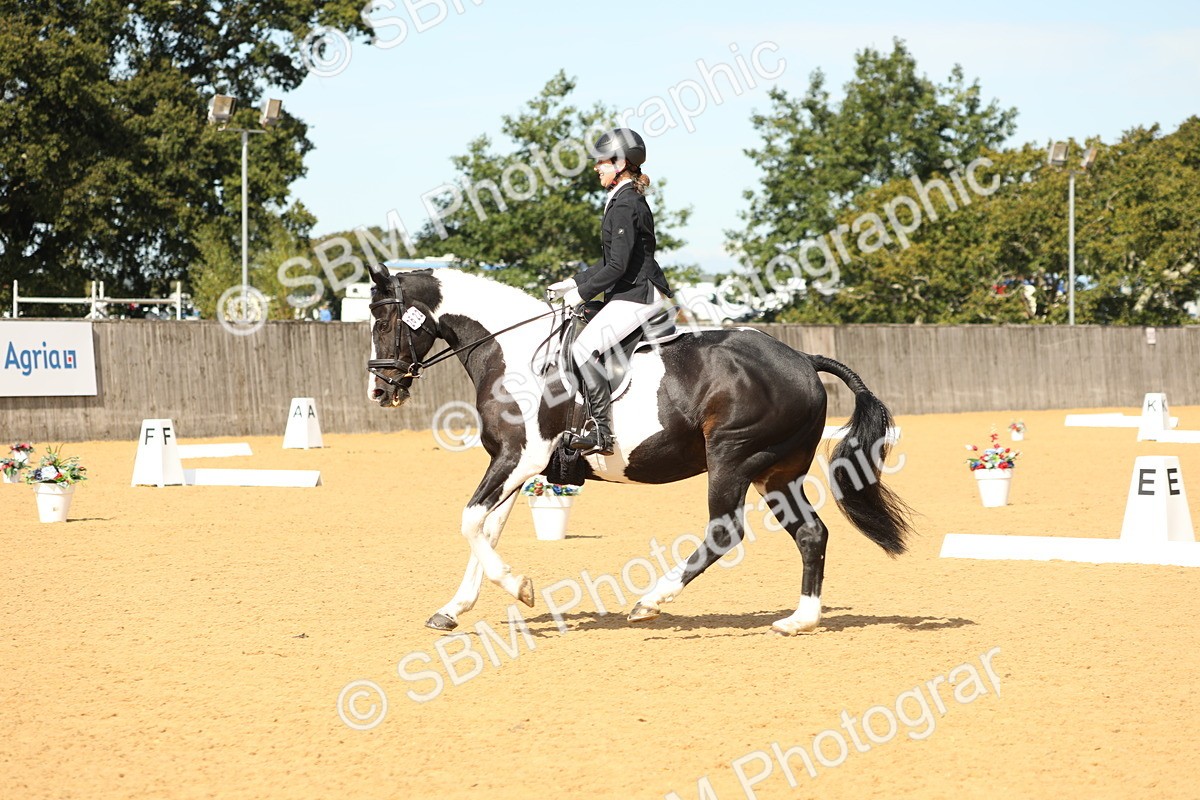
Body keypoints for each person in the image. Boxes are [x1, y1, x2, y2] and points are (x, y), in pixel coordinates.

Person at [548, 128, 673, 456]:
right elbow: (611, 260)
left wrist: (582, 294)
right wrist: (573, 282)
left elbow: (617, 267)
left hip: (637, 295)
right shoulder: (622, 199)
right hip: (629, 292)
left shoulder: (626, 203)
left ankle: (601, 433)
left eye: (601, 162)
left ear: (619, 164)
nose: (596, 167)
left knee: (583, 349)